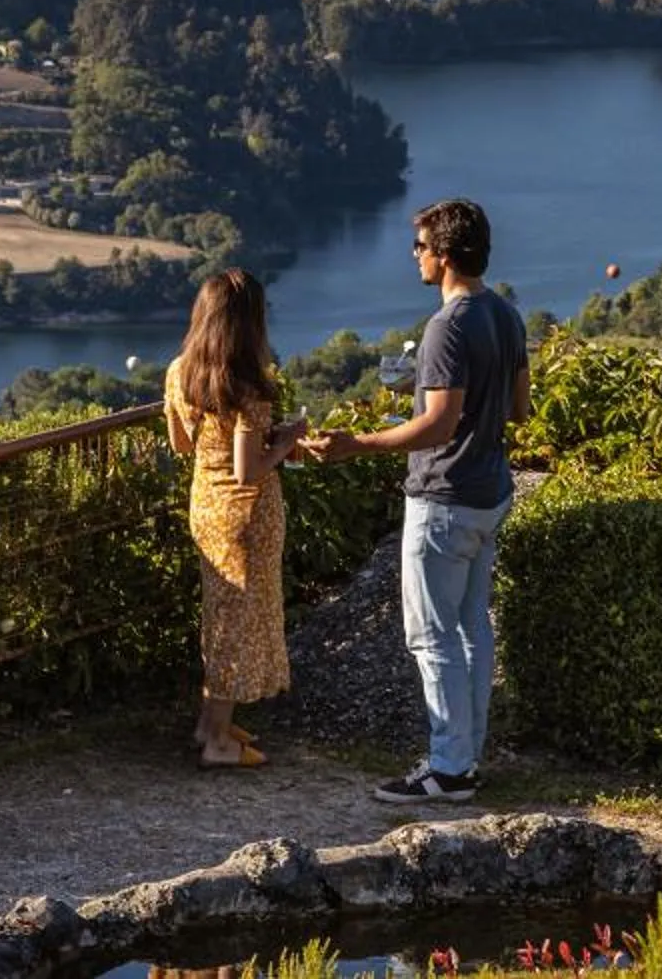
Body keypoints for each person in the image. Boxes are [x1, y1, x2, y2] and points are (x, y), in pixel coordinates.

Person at [301, 197, 526, 803]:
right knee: (473, 628)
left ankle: (449, 769)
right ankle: (467, 756)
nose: (415, 256)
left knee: (431, 636)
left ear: (446, 256)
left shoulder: (446, 327)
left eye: (421, 247)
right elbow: (515, 407)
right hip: (489, 491)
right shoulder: (505, 314)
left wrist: (358, 443)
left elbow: (438, 425)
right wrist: (442, 395)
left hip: (444, 496)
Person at [162, 269, 308, 769]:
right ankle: (218, 742)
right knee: (239, 625)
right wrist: (287, 439)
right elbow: (249, 472)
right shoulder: (248, 387)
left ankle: (209, 723)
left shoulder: (180, 371)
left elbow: (183, 444)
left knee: (220, 617)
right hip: (248, 517)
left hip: (205, 506)